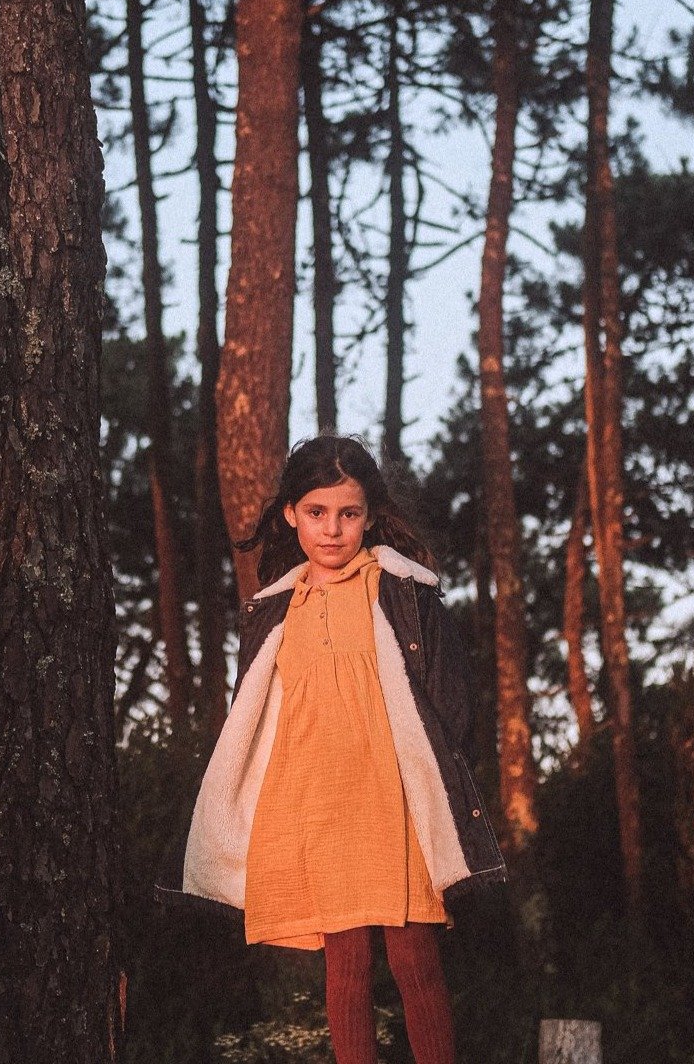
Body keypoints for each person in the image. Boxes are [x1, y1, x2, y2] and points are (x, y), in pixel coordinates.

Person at [156, 435, 506, 1064]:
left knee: (414, 958)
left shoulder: (403, 592)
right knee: (345, 964)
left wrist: (437, 788)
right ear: (291, 513)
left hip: (397, 804)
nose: (333, 530)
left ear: (370, 515)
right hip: (322, 808)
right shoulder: (274, 610)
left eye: (349, 513)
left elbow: (452, 706)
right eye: (317, 512)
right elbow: (261, 720)